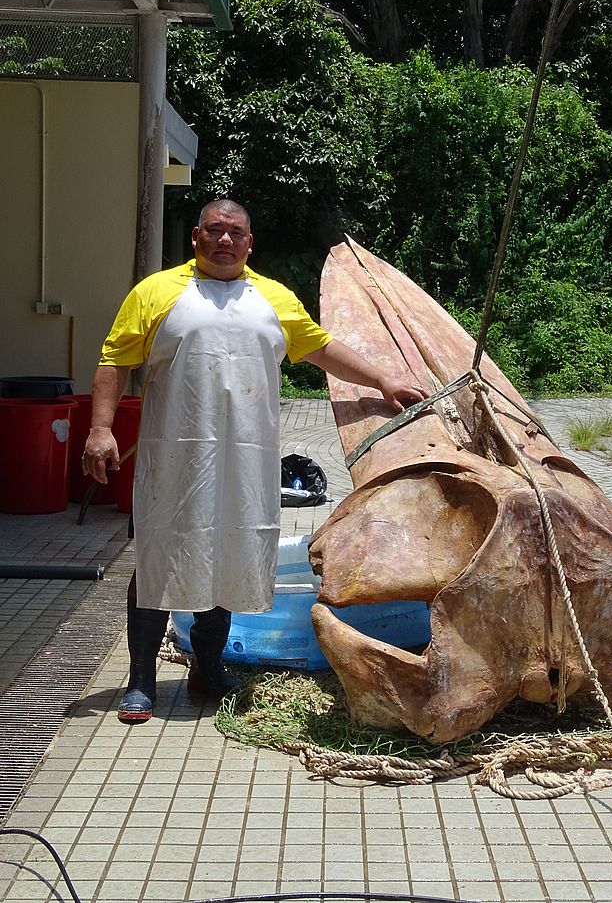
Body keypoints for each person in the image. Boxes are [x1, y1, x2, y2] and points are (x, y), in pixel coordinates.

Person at [82, 199, 426, 724]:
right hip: (174, 459)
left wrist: (381, 380)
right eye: (214, 231)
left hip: (246, 460)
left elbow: (319, 347)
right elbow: (115, 359)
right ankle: (141, 680)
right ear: (196, 237)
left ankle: (209, 667)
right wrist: (100, 428)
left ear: (249, 244)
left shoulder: (273, 296)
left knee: (229, 556)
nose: (224, 241)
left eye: (235, 233)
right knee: (158, 559)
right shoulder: (155, 292)